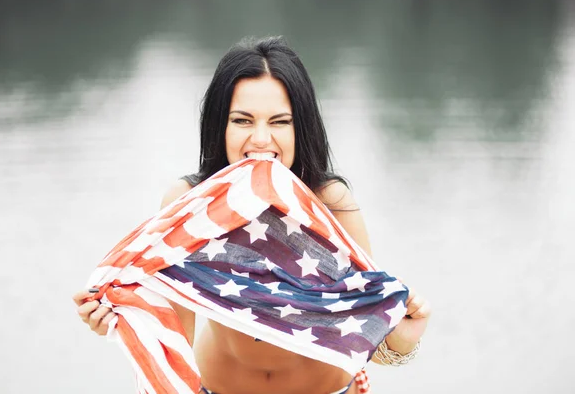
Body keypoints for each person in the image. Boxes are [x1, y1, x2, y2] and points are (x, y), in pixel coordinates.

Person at [73, 36, 431, 394]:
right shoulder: (191, 206)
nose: (261, 139)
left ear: (300, 128)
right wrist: (124, 318)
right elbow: (173, 340)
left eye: (279, 122)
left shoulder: (330, 203)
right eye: (243, 120)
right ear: (220, 126)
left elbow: (362, 338)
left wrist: (405, 338)